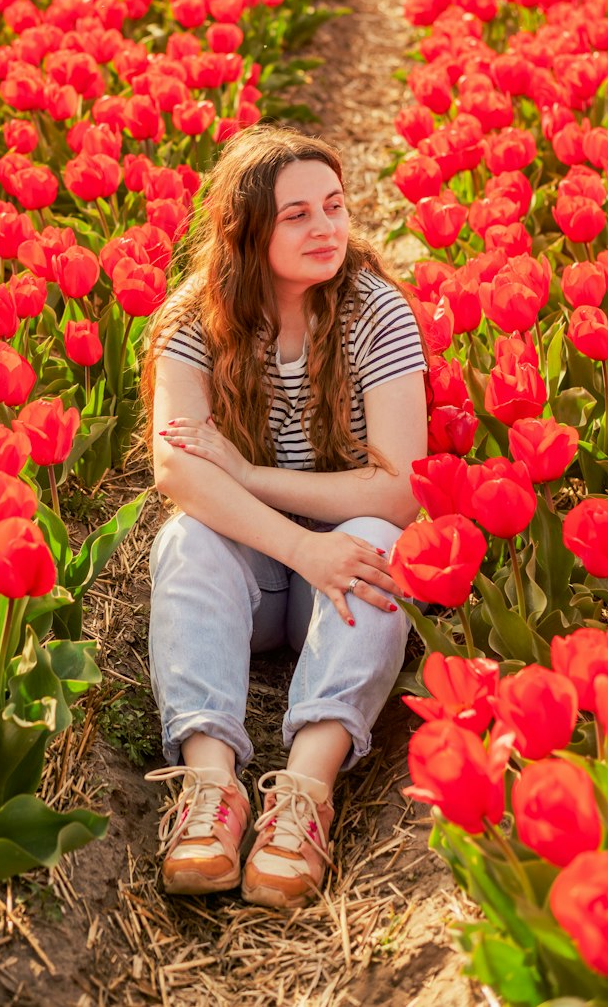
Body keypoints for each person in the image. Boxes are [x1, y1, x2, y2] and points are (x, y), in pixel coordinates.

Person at [139, 122, 428, 908]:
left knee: (378, 541)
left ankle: (304, 793)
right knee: (186, 535)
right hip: (257, 571)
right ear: (247, 230)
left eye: (333, 205)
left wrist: (250, 472)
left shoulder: (377, 315)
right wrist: (302, 548)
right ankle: (210, 785)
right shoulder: (190, 322)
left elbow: (401, 489)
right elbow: (178, 471)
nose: (326, 227)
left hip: (335, 586)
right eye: (297, 213)